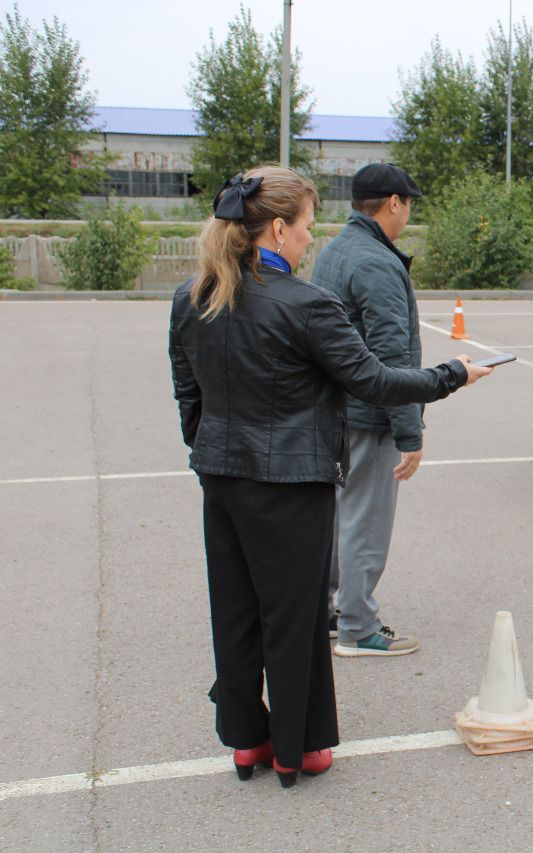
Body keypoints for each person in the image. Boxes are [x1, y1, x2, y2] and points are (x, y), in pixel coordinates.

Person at [168, 164, 491, 788]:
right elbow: (374, 378)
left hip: (222, 479)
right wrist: (453, 374)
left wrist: (215, 450)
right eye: (308, 227)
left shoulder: (192, 296)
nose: (312, 238)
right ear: (278, 229)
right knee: (295, 620)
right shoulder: (305, 304)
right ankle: (297, 748)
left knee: (234, 612)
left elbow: (189, 397)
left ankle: (246, 741)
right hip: (292, 485)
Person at [311, 162, 429, 658]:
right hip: (372, 411)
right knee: (368, 517)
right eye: (409, 203)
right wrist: (410, 432)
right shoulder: (378, 263)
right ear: (394, 203)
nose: (409, 212)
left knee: (343, 511)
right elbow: (391, 354)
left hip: (337, 406)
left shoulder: (336, 250)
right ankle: (359, 627)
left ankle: (336, 611)